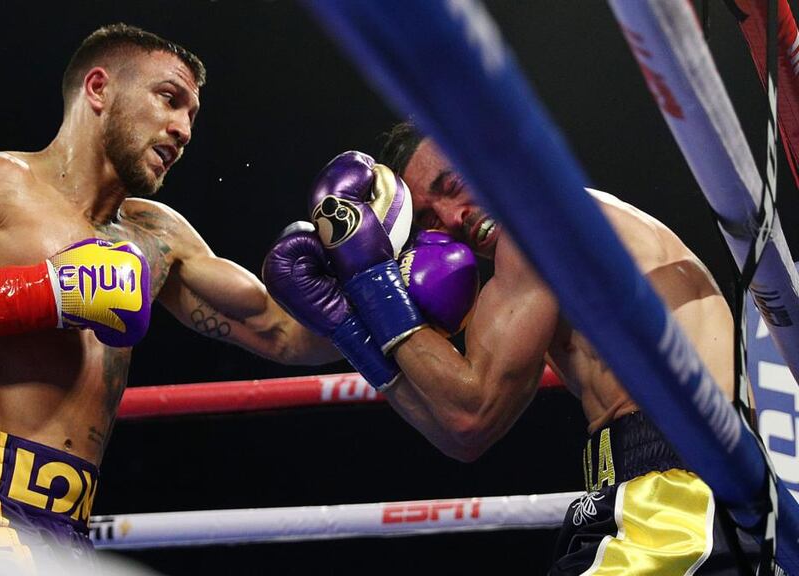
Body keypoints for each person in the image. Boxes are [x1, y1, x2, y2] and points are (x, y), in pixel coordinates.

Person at [0, 23, 335, 573]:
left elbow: (288, 336)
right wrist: (49, 292)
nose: (183, 130)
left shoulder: (158, 237)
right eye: (169, 100)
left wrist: (382, 294)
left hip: (68, 525)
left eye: (191, 116)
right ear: (99, 89)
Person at [266, 125, 760, 574]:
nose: (455, 218)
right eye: (430, 219)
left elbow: (471, 411)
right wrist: (350, 327)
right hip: (646, 492)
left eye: (452, 184)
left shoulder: (541, 222)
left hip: (680, 493)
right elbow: (460, 435)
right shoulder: (522, 272)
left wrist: (369, 278)